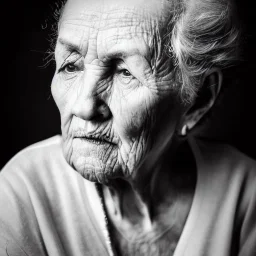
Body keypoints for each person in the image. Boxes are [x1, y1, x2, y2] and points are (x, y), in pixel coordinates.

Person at [0, 0, 255, 255]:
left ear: (197, 99)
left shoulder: (247, 198)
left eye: (125, 73)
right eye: (71, 65)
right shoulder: (21, 194)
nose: (84, 106)